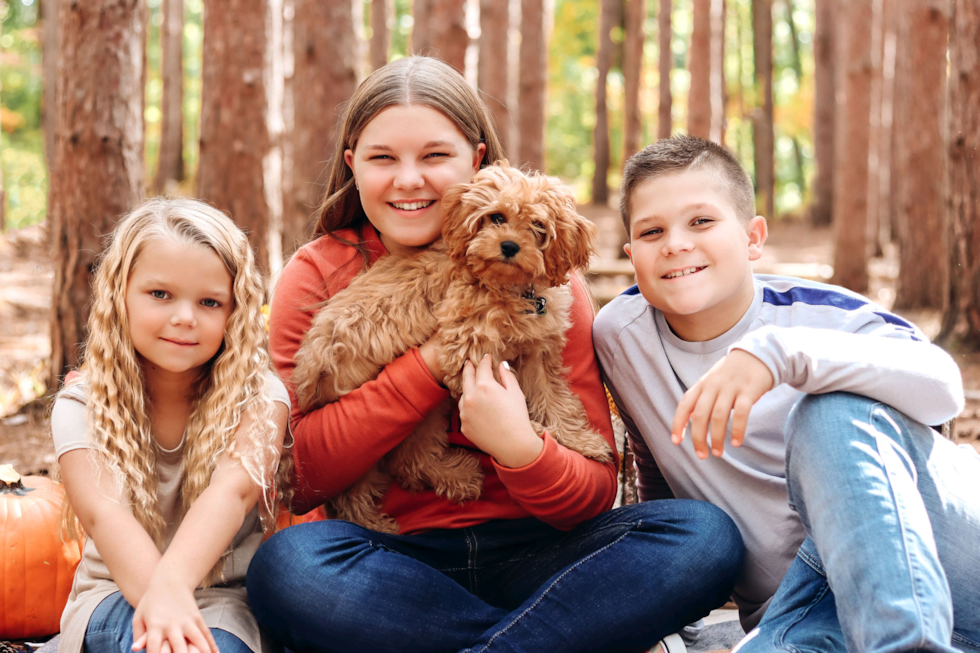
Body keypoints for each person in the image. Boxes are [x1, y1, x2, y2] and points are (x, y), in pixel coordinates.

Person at [246, 56, 743, 653]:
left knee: (704, 538)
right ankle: (555, 639)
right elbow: (299, 477)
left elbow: (591, 491)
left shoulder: (550, 282)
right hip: (392, 559)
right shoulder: (318, 272)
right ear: (352, 165)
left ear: (477, 159)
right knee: (288, 568)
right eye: (383, 158)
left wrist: (521, 448)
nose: (410, 180)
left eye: (435, 156)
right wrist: (430, 368)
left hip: (544, 556)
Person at [594, 134, 980, 652]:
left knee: (830, 411)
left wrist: (779, 355)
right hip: (804, 613)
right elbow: (659, 469)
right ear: (631, 254)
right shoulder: (621, 335)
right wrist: (669, 619)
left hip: (944, 565)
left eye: (702, 221)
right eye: (651, 231)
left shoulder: (824, 317)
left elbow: (943, 389)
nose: (676, 243)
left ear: (754, 237)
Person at [54, 197, 291, 653]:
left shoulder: (260, 399)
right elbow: (106, 516)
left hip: (222, 602)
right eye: (160, 294)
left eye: (209, 301)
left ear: (234, 312)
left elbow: (231, 493)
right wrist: (164, 604)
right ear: (119, 293)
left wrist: (174, 595)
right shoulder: (82, 405)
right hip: (113, 597)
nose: (184, 317)